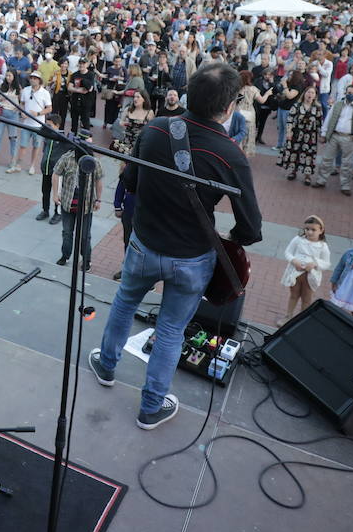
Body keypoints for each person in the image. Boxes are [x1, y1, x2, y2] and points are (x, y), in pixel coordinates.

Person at [88, 62, 262, 430]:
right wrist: (231, 240)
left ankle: (106, 365)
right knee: (170, 330)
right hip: (192, 258)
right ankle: (151, 407)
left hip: (144, 243)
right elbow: (251, 226)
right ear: (229, 106)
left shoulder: (154, 129)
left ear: (187, 95)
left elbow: (131, 180)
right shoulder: (230, 154)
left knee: (125, 302)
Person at [311, 81, 353, 194]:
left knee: (347, 163)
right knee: (326, 159)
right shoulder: (338, 104)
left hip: (349, 138)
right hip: (334, 135)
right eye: (349, 92)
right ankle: (321, 180)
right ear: (345, 93)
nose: (351, 94)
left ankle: (345, 186)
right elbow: (328, 119)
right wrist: (323, 134)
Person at [52, 147, 103, 271]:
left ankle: (86, 260)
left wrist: (98, 199)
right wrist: (55, 194)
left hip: (86, 206)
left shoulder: (94, 162)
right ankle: (65, 255)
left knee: (85, 235)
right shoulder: (67, 158)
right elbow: (55, 174)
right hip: (68, 203)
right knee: (67, 232)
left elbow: (98, 180)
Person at [281, 216, 332, 320]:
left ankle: (300, 320)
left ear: (321, 230)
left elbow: (327, 263)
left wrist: (315, 263)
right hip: (295, 273)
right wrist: (294, 260)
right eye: (307, 229)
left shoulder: (323, 246)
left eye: (313, 230)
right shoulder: (298, 240)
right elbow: (288, 252)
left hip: (310, 277)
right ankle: (288, 316)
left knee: (306, 299)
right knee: (293, 295)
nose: (309, 232)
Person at [278, 85, 323, 183]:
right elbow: (290, 119)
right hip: (297, 133)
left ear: (315, 96)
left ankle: (307, 176)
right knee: (295, 152)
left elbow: (320, 122)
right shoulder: (296, 105)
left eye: (312, 93)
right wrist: (289, 132)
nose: (310, 95)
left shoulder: (318, 107)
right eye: (308, 92)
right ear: (304, 94)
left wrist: (321, 135)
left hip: (310, 135)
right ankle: (293, 171)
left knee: (309, 155)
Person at [18, 72, 53, 174]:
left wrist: (38, 113)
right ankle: (19, 164)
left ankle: (32, 165)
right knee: (23, 145)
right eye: (31, 78)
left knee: (36, 146)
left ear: (39, 80)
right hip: (26, 123)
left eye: (35, 78)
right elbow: (22, 103)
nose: (33, 79)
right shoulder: (25, 90)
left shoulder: (45, 93)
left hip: (38, 125)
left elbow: (49, 108)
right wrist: (22, 112)